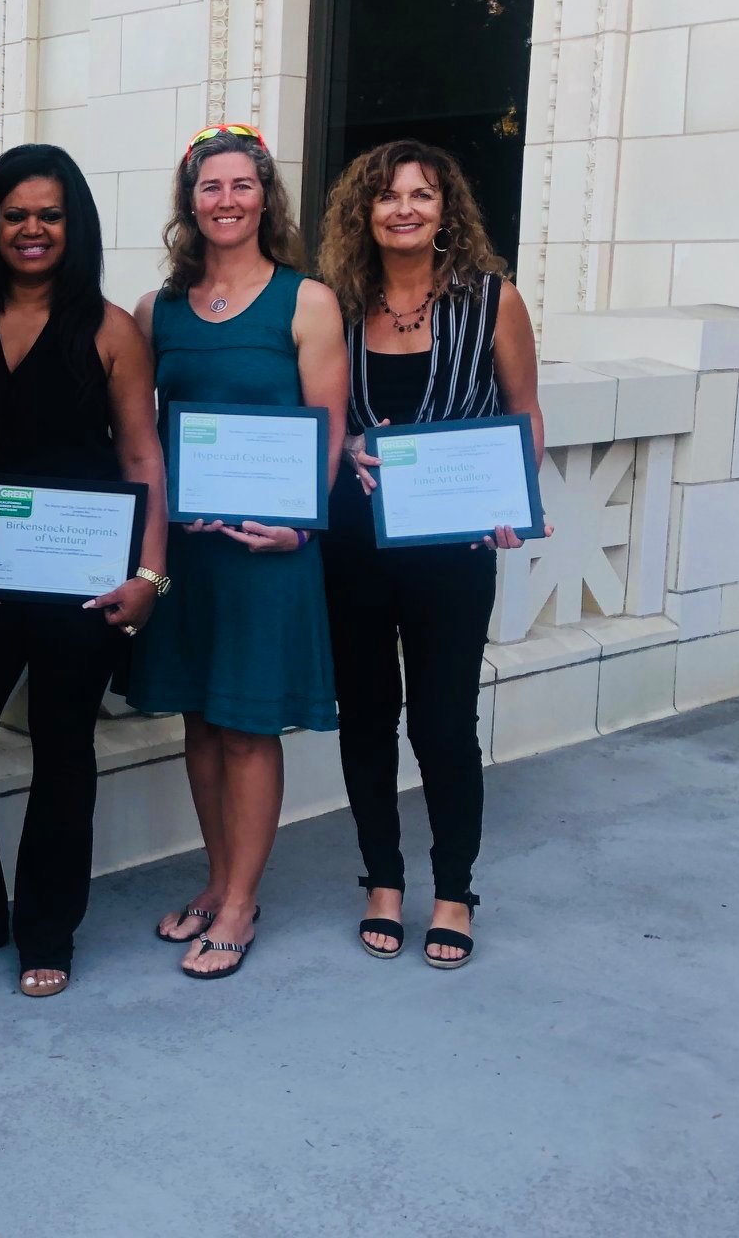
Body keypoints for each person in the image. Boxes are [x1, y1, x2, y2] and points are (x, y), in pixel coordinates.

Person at [0, 144, 169, 998]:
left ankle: (47, 929)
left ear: (74, 224)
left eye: (50, 215)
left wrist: (150, 575)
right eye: (15, 214)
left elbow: (141, 456)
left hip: (82, 581)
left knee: (64, 750)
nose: (32, 229)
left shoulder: (111, 330)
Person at [121, 124, 348, 980]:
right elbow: (140, 432)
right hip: (186, 555)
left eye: (241, 185)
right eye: (210, 186)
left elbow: (329, 430)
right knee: (201, 720)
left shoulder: (307, 301)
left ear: (265, 198)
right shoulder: (159, 310)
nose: (226, 200)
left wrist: (301, 525)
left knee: (249, 727)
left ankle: (243, 904)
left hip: (270, 551)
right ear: (190, 202)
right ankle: (217, 882)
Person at [316, 140, 546, 970]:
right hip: (355, 544)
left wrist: (512, 502)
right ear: (364, 212)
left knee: (444, 722)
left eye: (421, 195)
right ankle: (382, 880)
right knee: (366, 715)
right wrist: (347, 450)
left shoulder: (492, 301)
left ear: (447, 209)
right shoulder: (338, 305)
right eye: (387, 196)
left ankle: (454, 891)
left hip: (454, 549)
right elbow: (324, 422)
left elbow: (525, 414)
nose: (404, 209)